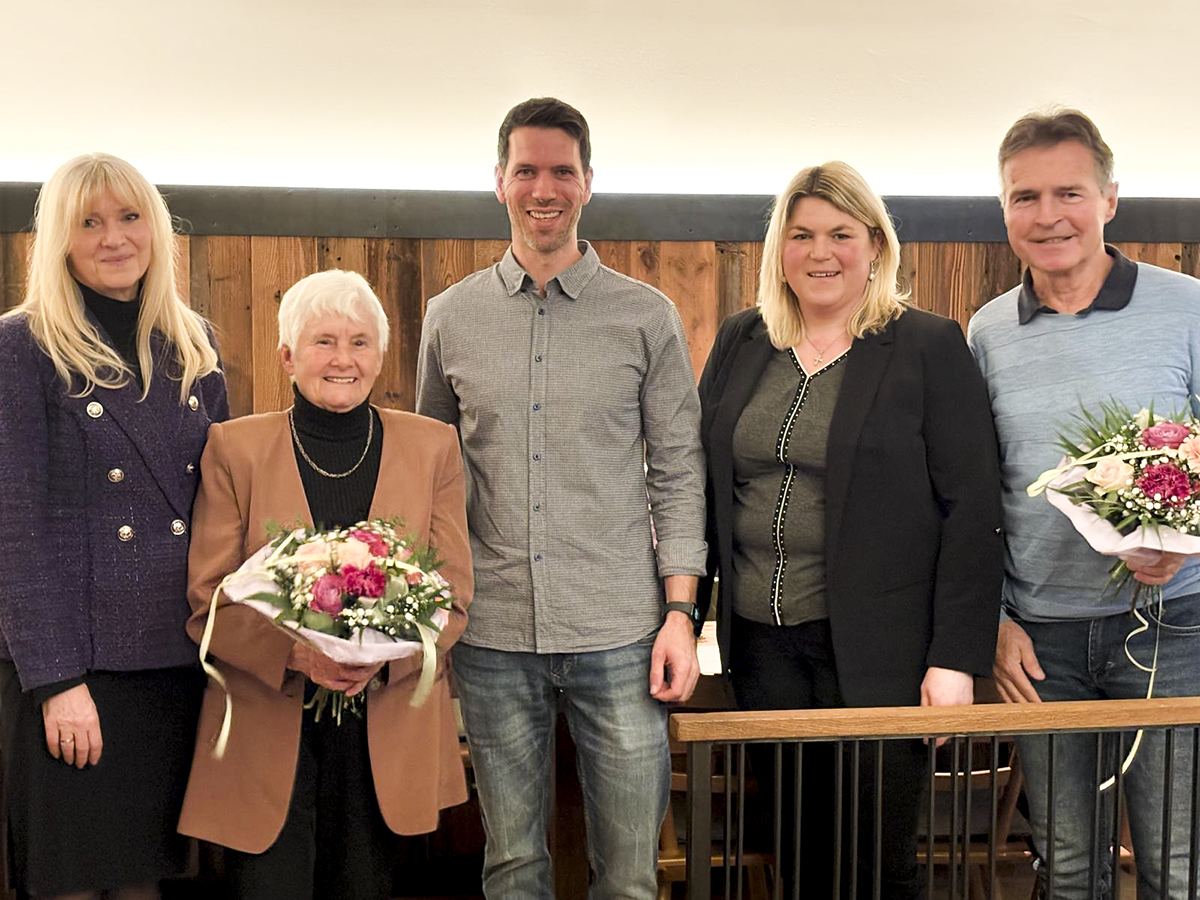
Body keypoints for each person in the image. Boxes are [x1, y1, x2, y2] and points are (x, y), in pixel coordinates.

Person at [416, 97, 707, 899]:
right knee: (511, 868)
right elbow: (432, 480)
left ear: (587, 184)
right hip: (493, 635)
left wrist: (681, 615)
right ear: (499, 182)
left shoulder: (648, 318)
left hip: (620, 630)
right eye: (526, 171)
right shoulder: (449, 318)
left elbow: (680, 473)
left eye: (561, 172)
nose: (543, 189)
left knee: (631, 877)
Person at [698, 161, 1004, 898]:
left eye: (840, 233)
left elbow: (974, 510)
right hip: (763, 639)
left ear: (875, 244)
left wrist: (955, 658)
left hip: (883, 649)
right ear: (780, 248)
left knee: (877, 858)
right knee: (798, 854)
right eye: (801, 234)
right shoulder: (745, 340)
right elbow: (699, 478)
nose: (820, 251)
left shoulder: (927, 346)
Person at [177, 269, 472, 900]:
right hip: (267, 727)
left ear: (382, 356)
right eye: (323, 342)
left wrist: (379, 660)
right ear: (287, 356)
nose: (344, 359)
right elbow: (209, 601)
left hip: (388, 728)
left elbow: (454, 597)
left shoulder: (432, 447)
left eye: (361, 342)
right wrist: (296, 654)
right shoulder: (234, 448)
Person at [968, 108, 1200, 899]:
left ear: (1109, 200)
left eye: (1068, 192)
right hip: (1041, 641)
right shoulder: (988, 332)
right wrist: (995, 621)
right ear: (1004, 211)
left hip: (1176, 626)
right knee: (1067, 868)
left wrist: (1186, 541)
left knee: (1176, 864)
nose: (1047, 215)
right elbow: (975, 494)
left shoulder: (1188, 307)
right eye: (1023, 197)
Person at [0, 153, 229, 900]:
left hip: (171, 660)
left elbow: (223, 506)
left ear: (156, 230)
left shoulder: (194, 344)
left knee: (147, 882)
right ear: (60, 240)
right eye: (89, 223)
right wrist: (58, 682)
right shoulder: (21, 347)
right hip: (74, 667)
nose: (113, 238)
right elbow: (15, 528)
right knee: (70, 881)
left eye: (130, 218)